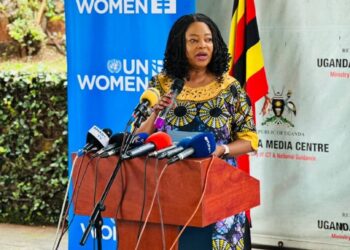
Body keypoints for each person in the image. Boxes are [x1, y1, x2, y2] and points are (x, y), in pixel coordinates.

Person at [137, 13, 258, 250]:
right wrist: (154, 112)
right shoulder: (162, 84)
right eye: (193, 40)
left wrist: (222, 150)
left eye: (208, 39)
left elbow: (250, 140)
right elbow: (141, 135)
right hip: (169, 190)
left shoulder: (230, 87)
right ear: (179, 46)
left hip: (220, 190)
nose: (203, 46)